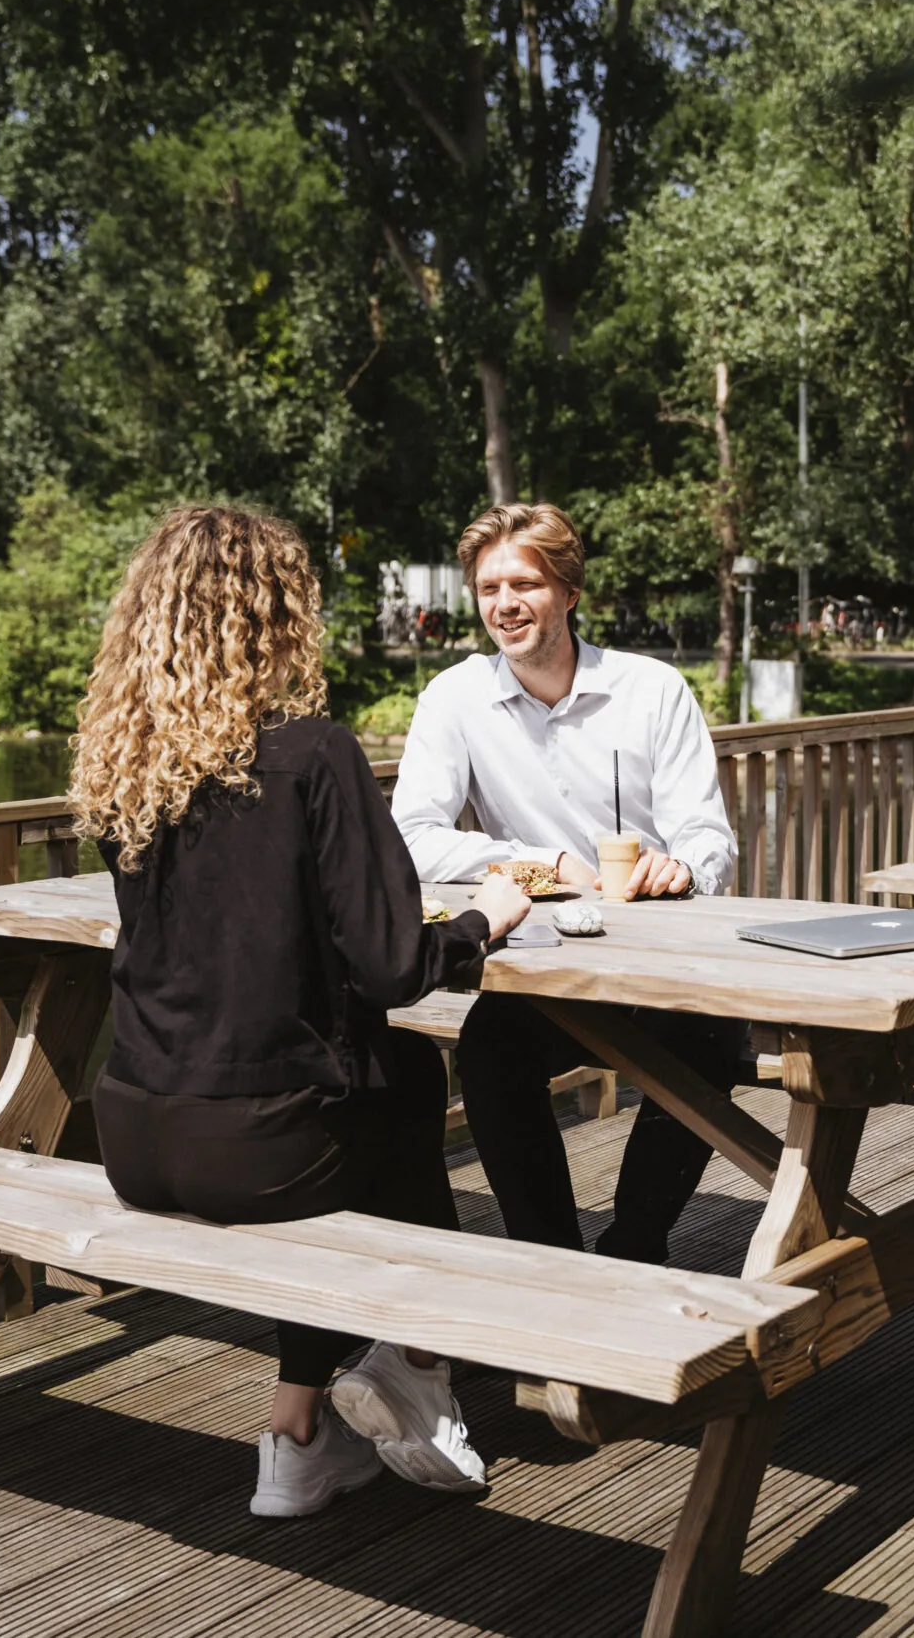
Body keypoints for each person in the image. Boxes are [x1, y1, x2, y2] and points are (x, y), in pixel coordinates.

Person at [67, 506, 536, 1521]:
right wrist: (483, 919)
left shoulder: (125, 766)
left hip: (134, 1133)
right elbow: (395, 967)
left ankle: (301, 1433)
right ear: (278, 615)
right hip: (258, 1151)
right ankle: (411, 1366)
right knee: (401, 1085)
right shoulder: (313, 754)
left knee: (374, 1097)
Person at [392, 502, 743, 1266]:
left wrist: (681, 865)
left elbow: (709, 839)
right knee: (488, 1049)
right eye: (488, 588)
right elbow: (410, 838)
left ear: (570, 591)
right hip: (548, 965)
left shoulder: (652, 690)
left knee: (715, 1044)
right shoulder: (454, 697)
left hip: (663, 961)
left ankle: (633, 1245)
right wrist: (540, 865)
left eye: (524, 582)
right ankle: (549, 1261)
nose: (504, 603)